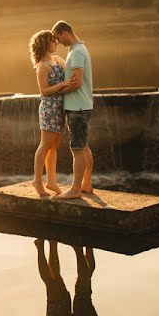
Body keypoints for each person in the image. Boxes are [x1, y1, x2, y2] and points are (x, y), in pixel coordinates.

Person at [51, 21, 94, 199]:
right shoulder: (77, 50)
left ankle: (76, 189)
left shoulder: (77, 52)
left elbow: (76, 82)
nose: (59, 42)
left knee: (77, 148)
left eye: (58, 37)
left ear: (65, 33)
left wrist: (57, 91)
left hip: (77, 108)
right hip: (82, 105)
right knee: (83, 146)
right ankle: (86, 183)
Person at [29, 30, 71, 196]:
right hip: (49, 108)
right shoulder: (42, 66)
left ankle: (51, 181)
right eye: (53, 41)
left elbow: (71, 75)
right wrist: (63, 84)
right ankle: (37, 182)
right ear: (46, 43)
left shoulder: (58, 60)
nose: (56, 43)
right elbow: (44, 91)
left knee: (54, 146)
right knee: (45, 144)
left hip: (60, 108)